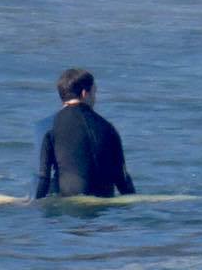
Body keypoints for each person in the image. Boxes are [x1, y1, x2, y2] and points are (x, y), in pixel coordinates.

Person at [34, 68, 136, 199]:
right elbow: (122, 179)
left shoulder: (50, 127)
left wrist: (35, 203)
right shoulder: (108, 128)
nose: (95, 98)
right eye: (94, 93)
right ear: (84, 93)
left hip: (67, 206)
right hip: (104, 207)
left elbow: (43, 178)